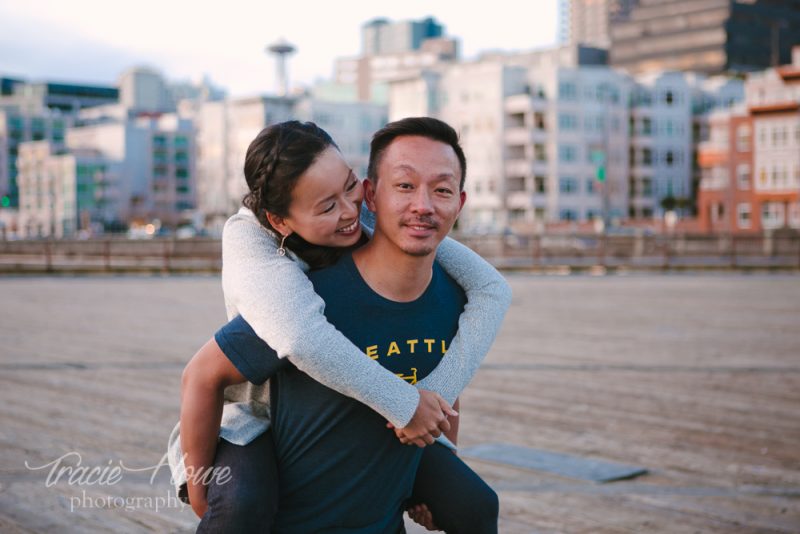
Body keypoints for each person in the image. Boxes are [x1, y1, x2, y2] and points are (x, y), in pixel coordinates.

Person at [170, 119, 510, 531]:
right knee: (242, 504)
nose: (349, 212)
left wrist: (436, 452)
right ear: (281, 221)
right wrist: (201, 490)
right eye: (328, 206)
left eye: (349, 189)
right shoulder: (281, 283)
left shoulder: (417, 261)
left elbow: (479, 302)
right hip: (252, 425)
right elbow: (279, 345)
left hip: (373, 481)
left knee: (476, 503)